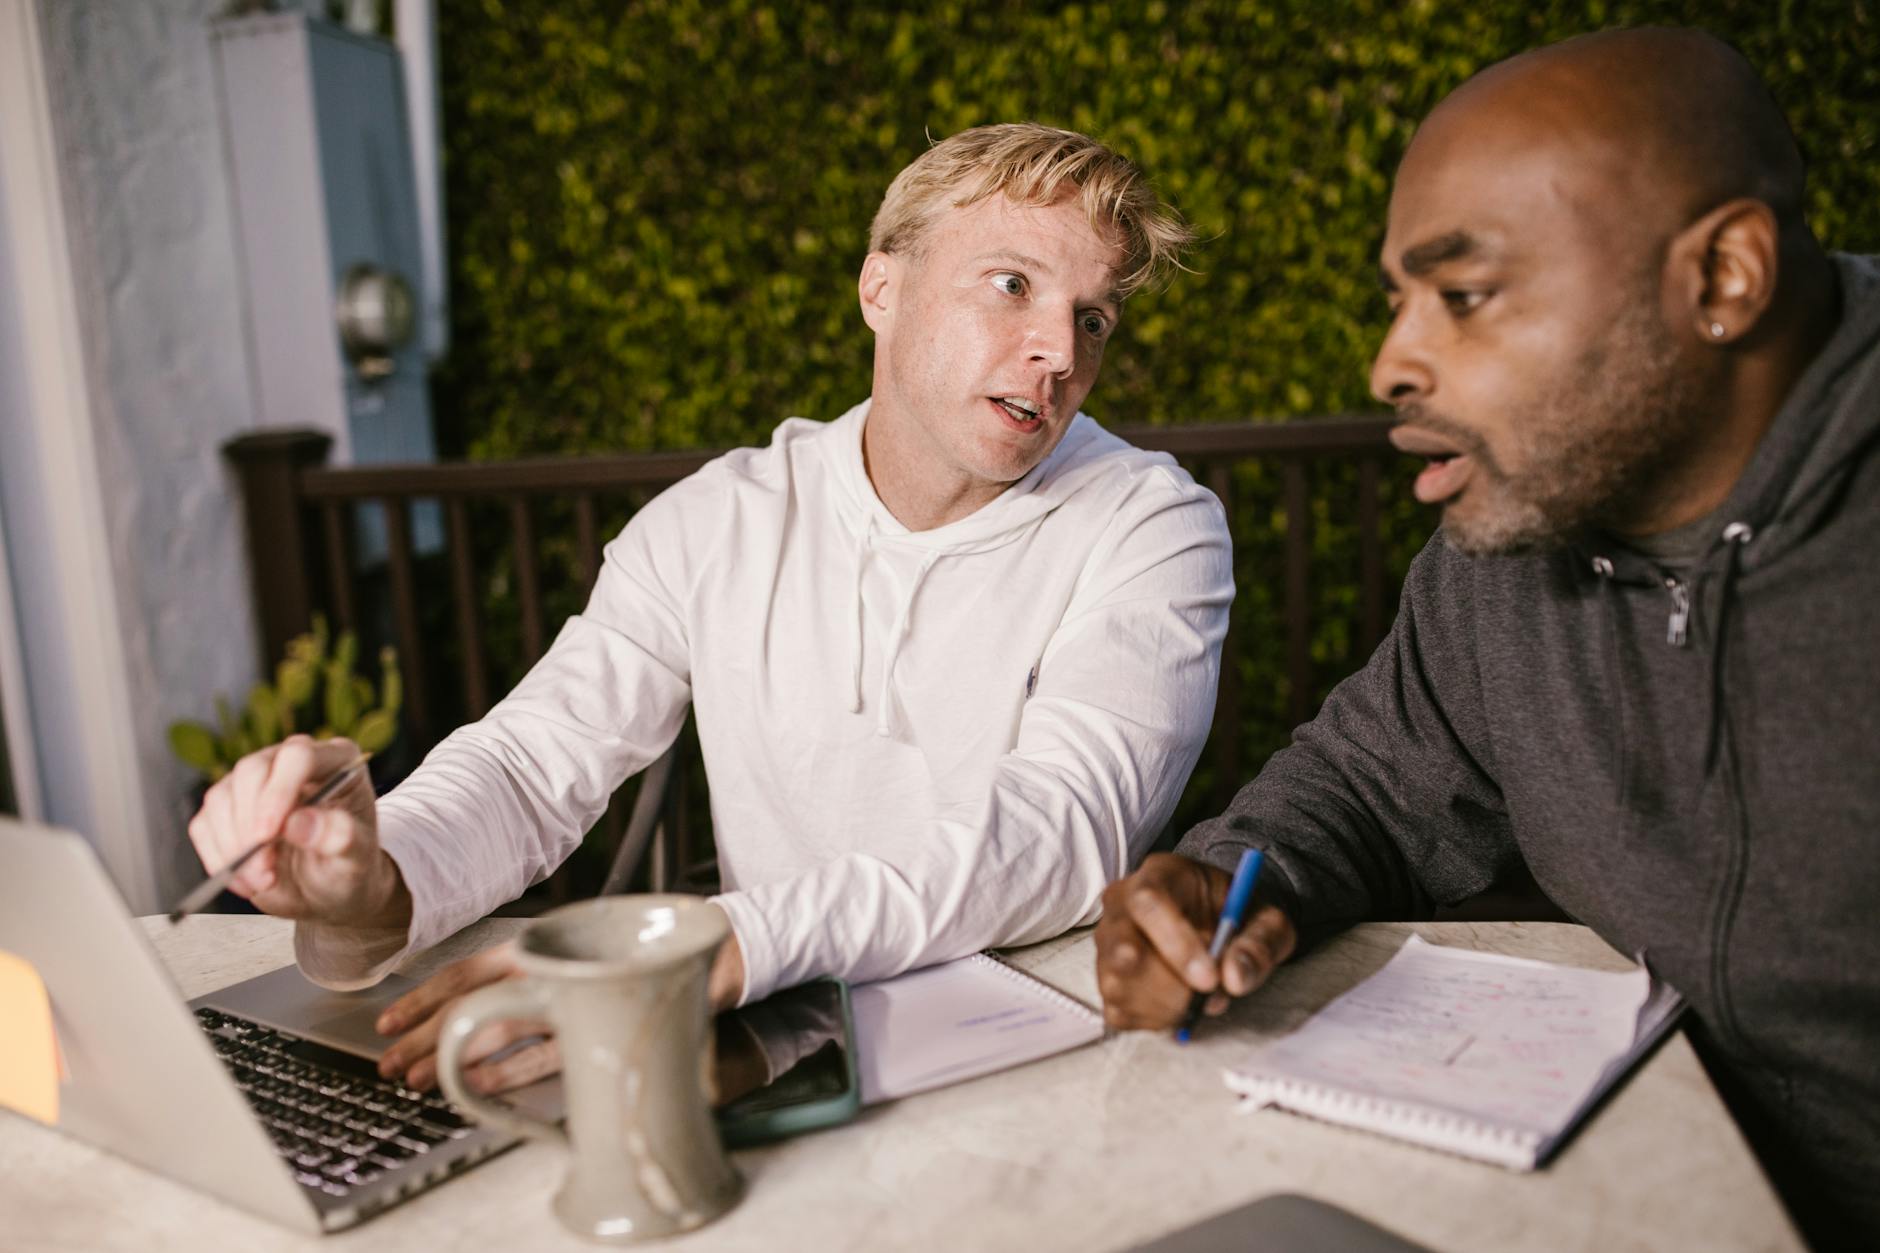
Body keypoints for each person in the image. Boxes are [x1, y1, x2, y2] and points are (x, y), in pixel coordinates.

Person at [189, 124, 1233, 1094]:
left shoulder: (1154, 526)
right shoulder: (715, 519)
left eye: (1090, 317)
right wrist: (374, 883)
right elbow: (527, 765)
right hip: (764, 1053)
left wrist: (728, 941)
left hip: (1041, 1077)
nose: (1057, 350)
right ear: (881, 285)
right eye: (1011, 284)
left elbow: (1063, 830)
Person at [1094, 28, 1878, 1249]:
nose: (1390, 361)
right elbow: (1362, 781)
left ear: (1723, 275)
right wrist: (1231, 875)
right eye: (1399, 301)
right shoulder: (1503, 550)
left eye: (1461, 296)